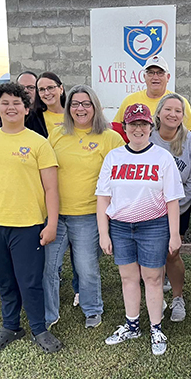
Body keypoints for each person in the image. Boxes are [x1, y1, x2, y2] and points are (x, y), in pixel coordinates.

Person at [0, 83, 63, 353]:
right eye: (5, 102)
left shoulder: (38, 143)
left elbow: (51, 187)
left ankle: (39, 329)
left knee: (30, 279)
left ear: (27, 109)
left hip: (28, 225)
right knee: (5, 279)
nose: (11, 107)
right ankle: (11, 326)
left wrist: (52, 223)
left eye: (17, 103)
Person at [96, 103, 184, 356]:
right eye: (133, 124)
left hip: (153, 225)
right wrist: (104, 232)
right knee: (128, 278)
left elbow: (172, 199)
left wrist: (174, 233)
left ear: (150, 127)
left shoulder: (162, 157)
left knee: (153, 278)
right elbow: (103, 196)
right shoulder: (114, 157)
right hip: (121, 226)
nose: (138, 128)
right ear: (125, 127)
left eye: (143, 124)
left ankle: (156, 327)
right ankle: (132, 323)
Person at [43, 85, 124, 330]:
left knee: (86, 267)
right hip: (56, 214)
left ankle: (92, 308)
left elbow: (120, 177)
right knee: (49, 266)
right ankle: (49, 313)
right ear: (68, 108)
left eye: (86, 104)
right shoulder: (56, 135)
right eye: (75, 104)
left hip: (89, 215)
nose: (80, 109)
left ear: (95, 107)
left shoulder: (110, 137)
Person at [149, 93, 191, 322]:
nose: (172, 114)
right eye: (168, 109)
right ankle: (157, 296)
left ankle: (178, 297)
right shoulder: (148, 137)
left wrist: (177, 208)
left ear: (183, 116)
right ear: (159, 113)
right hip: (149, 209)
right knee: (153, 254)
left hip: (179, 208)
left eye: (178, 111)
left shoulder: (190, 142)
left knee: (172, 253)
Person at [113, 55, 191, 136]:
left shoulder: (180, 102)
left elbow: (190, 133)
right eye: (151, 73)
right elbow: (116, 131)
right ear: (144, 76)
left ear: (168, 77)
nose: (155, 77)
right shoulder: (130, 101)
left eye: (160, 73)